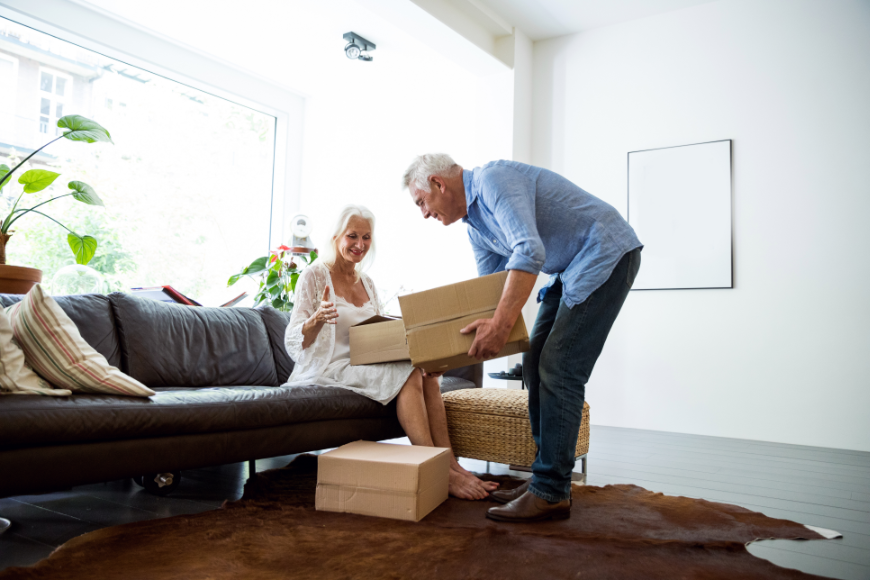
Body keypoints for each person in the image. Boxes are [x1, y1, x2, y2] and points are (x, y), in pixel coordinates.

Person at [402, 155, 643, 522]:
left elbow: (530, 251)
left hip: (604, 251)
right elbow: (490, 295)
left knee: (559, 368)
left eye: (421, 202)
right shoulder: (476, 228)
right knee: (534, 364)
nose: (422, 213)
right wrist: (445, 356)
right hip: (570, 267)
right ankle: (543, 480)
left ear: (438, 183)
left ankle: (550, 491)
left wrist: (501, 326)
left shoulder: (494, 181)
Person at [283, 204, 498, 500]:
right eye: (352, 236)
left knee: (427, 374)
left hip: (365, 363)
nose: (360, 245)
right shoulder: (315, 276)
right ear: (336, 237)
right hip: (329, 366)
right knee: (410, 374)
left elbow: (381, 335)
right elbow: (294, 342)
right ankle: (437, 471)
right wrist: (316, 319)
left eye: (367, 237)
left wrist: (422, 355)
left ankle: (451, 464)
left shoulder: (367, 282)